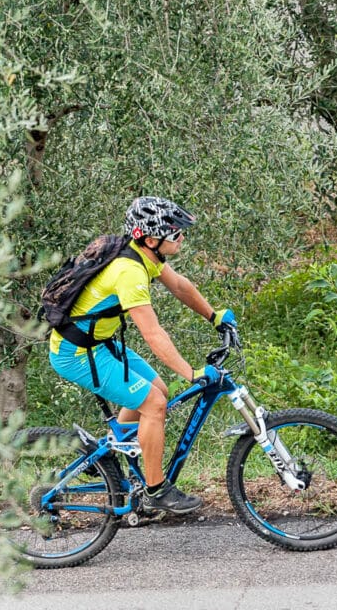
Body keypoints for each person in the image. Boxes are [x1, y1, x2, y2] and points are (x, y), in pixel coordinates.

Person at [48, 196, 236, 514]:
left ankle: (108, 451)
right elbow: (152, 333)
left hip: (98, 343)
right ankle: (155, 490)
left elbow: (179, 286)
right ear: (151, 238)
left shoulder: (145, 255)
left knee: (158, 390)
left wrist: (214, 316)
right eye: (174, 232)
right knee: (154, 404)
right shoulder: (129, 272)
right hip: (76, 353)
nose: (181, 236)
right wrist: (191, 373)